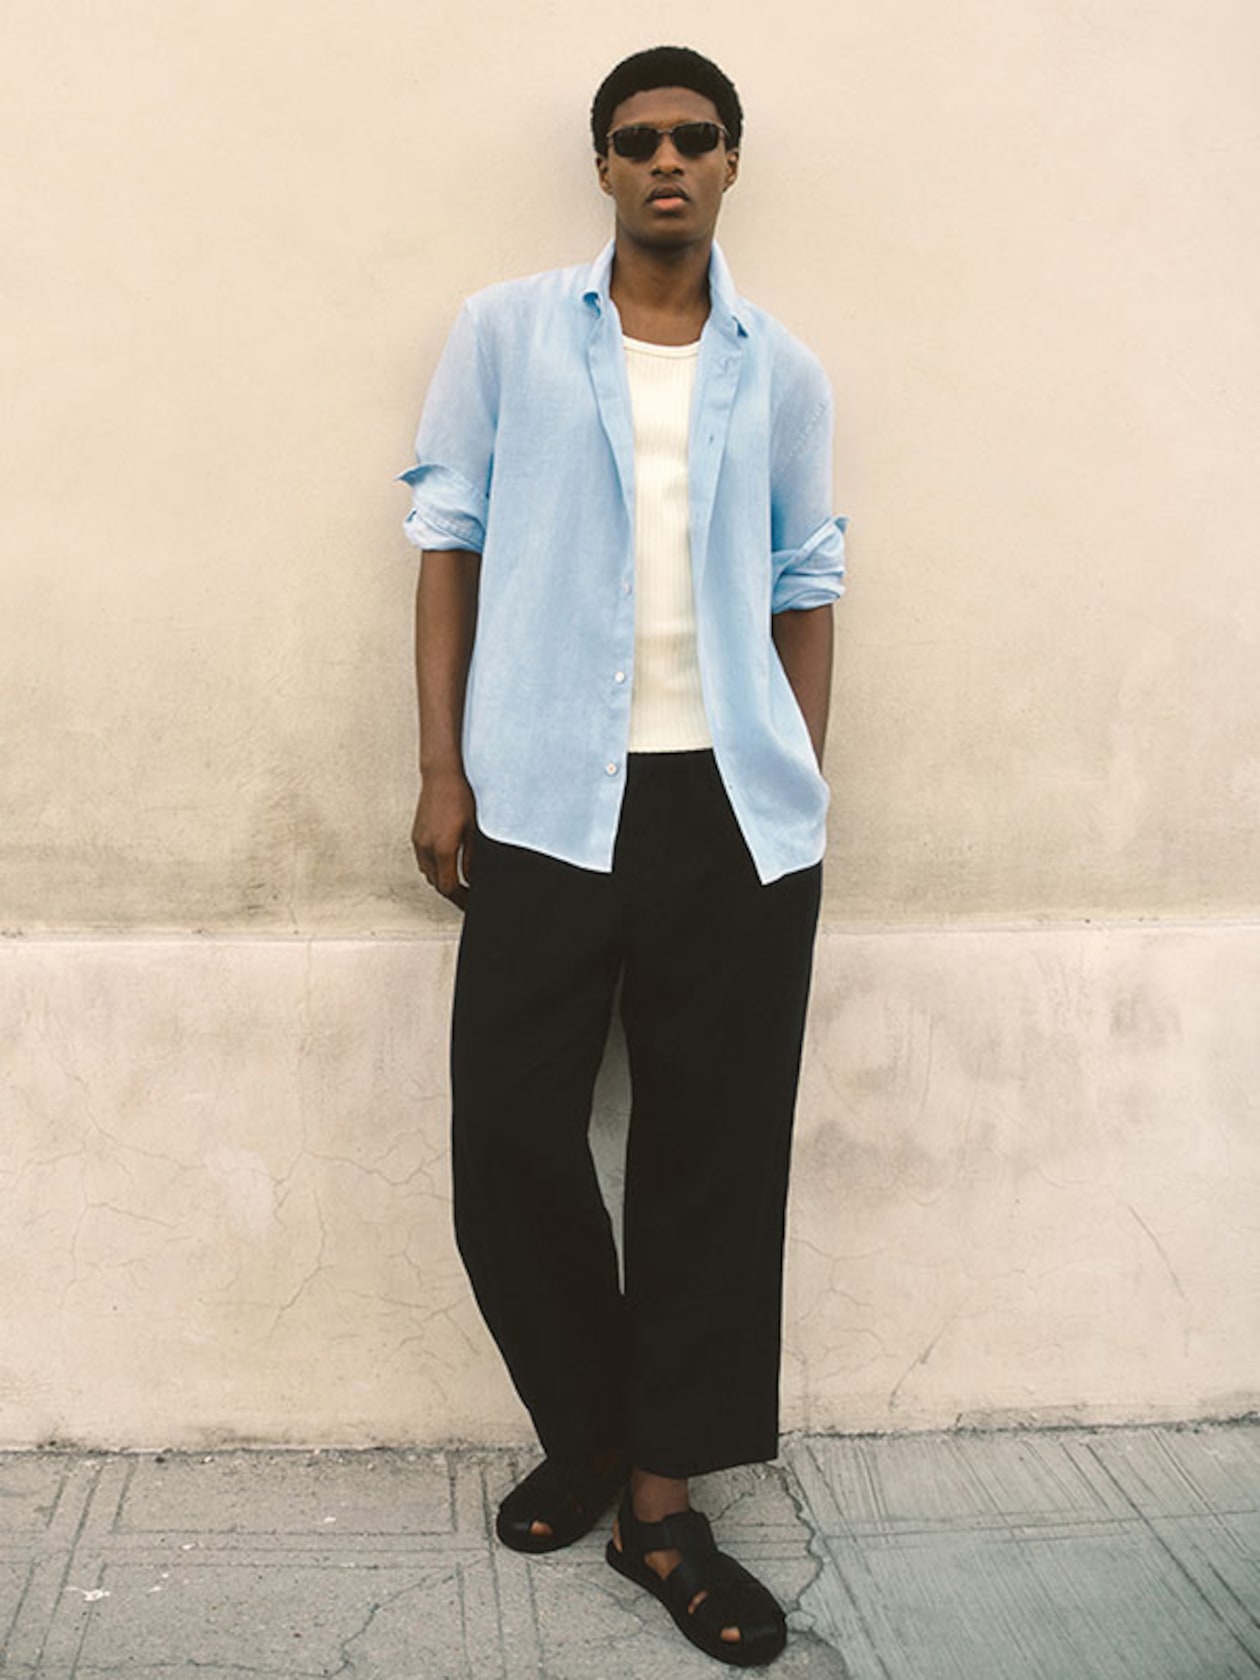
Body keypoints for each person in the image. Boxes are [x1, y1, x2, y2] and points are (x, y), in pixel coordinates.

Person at [399, 44, 846, 1667]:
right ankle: (592, 1427)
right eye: (639, 139)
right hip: (539, 800)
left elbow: (807, 582)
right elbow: (446, 541)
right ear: (604, 164)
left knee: (710, 1161)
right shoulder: (508, 334)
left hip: (728, 814)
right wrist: (441, 768)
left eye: (695, 138)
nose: (668, 161)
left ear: (730, 163)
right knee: (509, 1135)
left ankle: (661, 1508)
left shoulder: (781, 371)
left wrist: (793, 781)